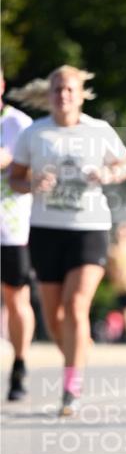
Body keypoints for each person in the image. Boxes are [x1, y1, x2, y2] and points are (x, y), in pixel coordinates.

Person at [8, 66, 126, 415]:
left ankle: (71, 389)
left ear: (81, 95)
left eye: (69, 89)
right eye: (57, 89)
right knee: (53, 315)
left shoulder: (99, 131)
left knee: (76, 305)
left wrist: (108, 173)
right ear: (48, 95)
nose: (63, 95)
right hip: (46, 229)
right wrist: (33, 184)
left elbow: (125, 165)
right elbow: (15, 178)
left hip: (89, 227)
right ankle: (75, 359)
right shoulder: (35, 133)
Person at [1, 68, 34, 401]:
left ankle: (19, 364)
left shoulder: (18, 125)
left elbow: (25, 169)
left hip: (10, 229)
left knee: (15, 299)